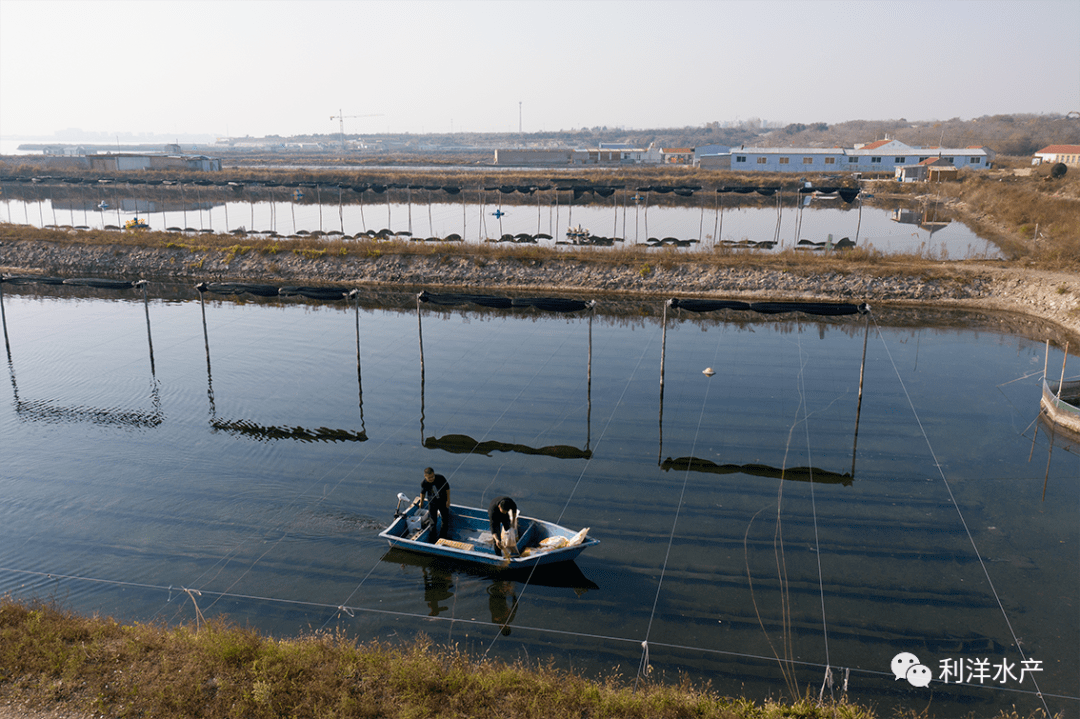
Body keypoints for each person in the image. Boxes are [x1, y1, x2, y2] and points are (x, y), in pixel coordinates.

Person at [420, 467, 451, 542]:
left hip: (442, 501)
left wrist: (448, 500)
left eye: (432, 476)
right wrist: (421, 502)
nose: (431, 479)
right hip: (432, 503)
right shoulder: (424, 483)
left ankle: (443, 537)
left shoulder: (441, 478)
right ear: (425, 476)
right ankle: (432, 539)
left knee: (445, 519)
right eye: (429, 478)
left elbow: (447, 489)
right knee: (433, 522)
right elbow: (422, 493)